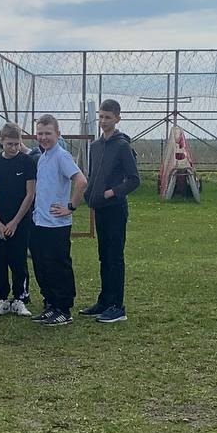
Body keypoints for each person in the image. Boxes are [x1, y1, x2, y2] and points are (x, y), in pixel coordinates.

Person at [81, 98, 140, 322]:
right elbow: (93, 175)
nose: (103, 121)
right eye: (101, 117)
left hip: (115, 208)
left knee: (115, 256)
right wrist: (90, 193)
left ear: (117, 119)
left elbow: (134, 180)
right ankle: (104, 301)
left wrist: (112, 192)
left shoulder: (122, 146)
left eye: (108, 117)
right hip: (100, 209)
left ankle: (117, 306)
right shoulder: (95, 146)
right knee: (104, 256)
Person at [30, 114, 87, 327]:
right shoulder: (43, 156)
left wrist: (71, 206)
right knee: (42, 265)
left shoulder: (62, 156)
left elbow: (81, 181)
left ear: (58, 134)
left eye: (48, 133)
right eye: (40, 133)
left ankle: (64, 308)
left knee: (58, 266)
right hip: (40, 222)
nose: (44, 137)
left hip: (56, 224)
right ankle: (51, 304)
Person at [0, 123, 36, 316]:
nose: (14, 147)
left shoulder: (27, 162)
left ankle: (20, 298)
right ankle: (2, 298)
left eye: (17, 144)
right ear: (1, 141)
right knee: (0, 259)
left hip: (21, 220)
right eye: (10, 144)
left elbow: (30, 194)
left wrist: (15, 222)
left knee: (19, 259)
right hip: (0, 220)